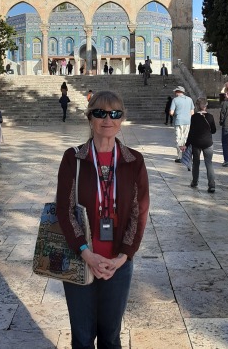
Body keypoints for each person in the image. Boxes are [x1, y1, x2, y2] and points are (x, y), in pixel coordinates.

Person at [56, 90, 150, 349]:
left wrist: (123, 257)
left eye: (115, 113)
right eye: (100, 113)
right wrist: (86, 252)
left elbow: (138, 212)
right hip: (81, 259)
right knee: (83, 338)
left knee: (110, 337)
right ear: (90, 118)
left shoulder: (133, 161)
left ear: (121, 120)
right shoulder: (73, 158)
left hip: (117, 264)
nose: (107, 119)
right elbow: (64, 209)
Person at [184, 97, 216, 193]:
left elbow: (191, 132)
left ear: (197, 106)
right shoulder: (210, 117)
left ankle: (195, 182)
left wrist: (186, 144)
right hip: (208, 143)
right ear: (206, 106)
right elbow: (213, 131)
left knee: (196, 163)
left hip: (196, 143)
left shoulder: (194, 117)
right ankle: (212, 185)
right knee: (209, 163)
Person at [170, 86, 194, 162]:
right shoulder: (189, 99)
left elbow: (171, 112)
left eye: (175, 91)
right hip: (188, 121)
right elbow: (192, 112)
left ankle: (180, 156)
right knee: (186, 138)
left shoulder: (175, 100)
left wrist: (176, 114)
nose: (174, 93)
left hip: (179, 121)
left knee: (179, 138)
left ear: (178, 91)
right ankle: (187, 156)